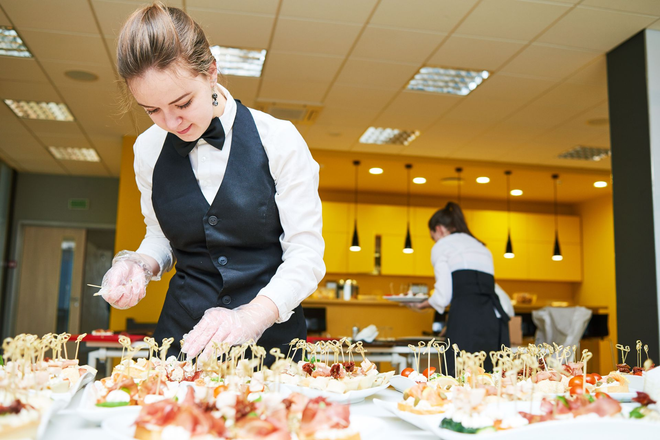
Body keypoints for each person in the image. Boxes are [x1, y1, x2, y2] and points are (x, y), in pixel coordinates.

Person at [99, 3, 325, 362]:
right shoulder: (147, 149)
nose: (171, 122)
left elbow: (307, 254)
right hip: (182, 338)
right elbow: (161, 236)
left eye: (183, 102)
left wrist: (254, 315)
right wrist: (139, 264)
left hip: (271, 344)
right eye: (152, 110)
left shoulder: (279, 139)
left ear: (212, 73)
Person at [409, 202, 510, 374]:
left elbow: (443, 296)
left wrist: (420, 305)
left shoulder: (442, 245)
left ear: (439, 229)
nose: (434, 241)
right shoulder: (481, 247)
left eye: (433, 236)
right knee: (489, 378)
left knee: (456, 378)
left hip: (465, 322)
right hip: (493, 322)